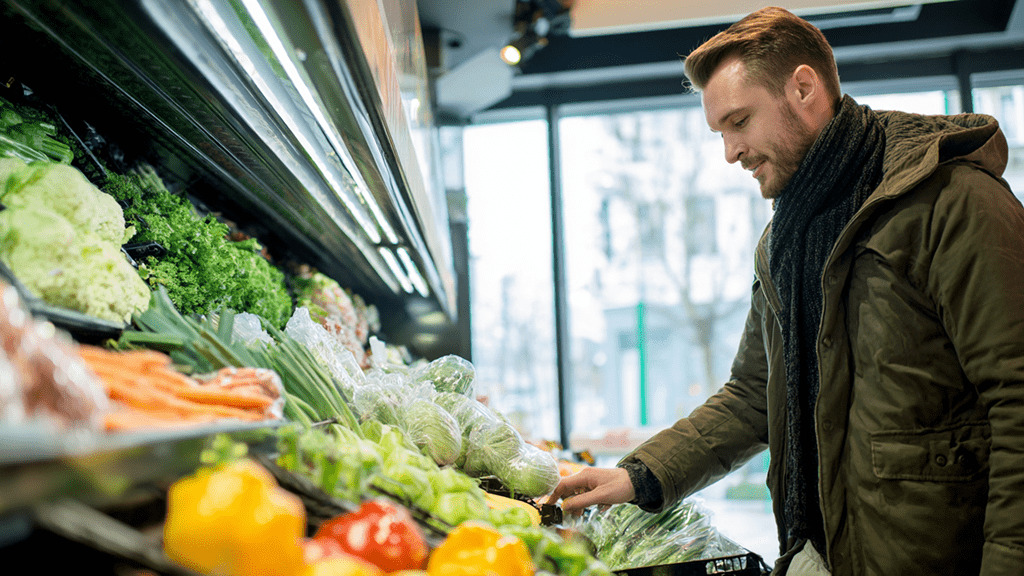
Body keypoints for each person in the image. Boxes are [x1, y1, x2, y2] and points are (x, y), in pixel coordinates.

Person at [546, 6, 1024, 576]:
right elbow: (754, 392)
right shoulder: (783, 240)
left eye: (740, 122)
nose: (730, 153)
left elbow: (1016, 399)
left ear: (803, 88)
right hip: (815, 556)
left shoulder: (952, 202)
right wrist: (639, 474)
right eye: (721, 132)